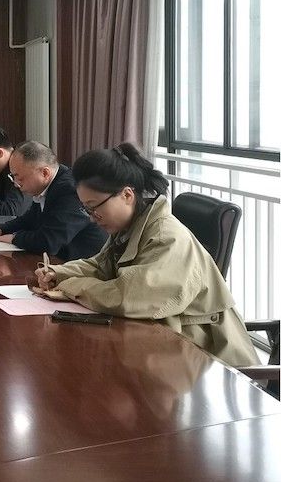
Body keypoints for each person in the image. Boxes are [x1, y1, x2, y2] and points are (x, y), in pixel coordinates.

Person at [35, 143, 258, 368]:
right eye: (86, 209)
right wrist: (58, 273)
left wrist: (69, 286)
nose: (92, 217)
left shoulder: (166, 237)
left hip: (209, 359)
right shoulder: (131, 226)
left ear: (127, 195)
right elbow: (100, 266)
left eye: (94, 207)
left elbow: (128, 297)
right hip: (166, 345)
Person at [0, 140, 107, 261]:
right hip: (60, 260)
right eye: (13, 177)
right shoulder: (50, 184)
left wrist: (12, 238)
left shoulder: (70, 190)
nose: (16, 184)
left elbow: (49, 242)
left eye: (19, 178)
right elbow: (30, 219)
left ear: (45, 173)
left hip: (85, 266)